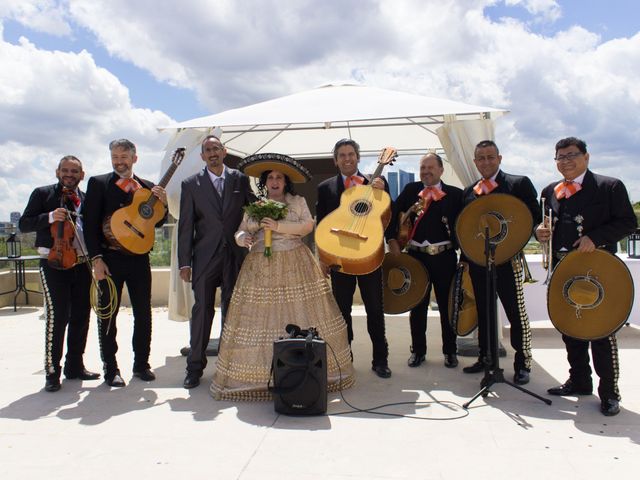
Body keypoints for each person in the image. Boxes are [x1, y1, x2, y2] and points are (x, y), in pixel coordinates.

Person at [210, 153, 354, 400]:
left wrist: (279, 227)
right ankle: (261, 374)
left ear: (286, 182)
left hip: (295, 262)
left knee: (299, 312)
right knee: (260, 320)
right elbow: (241, 229)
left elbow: (308, 226)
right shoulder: (255, 206)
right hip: (260, 267)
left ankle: (303, 368)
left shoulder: (297, 201)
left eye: (279, 177)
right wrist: (242, 238)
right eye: (270, 178)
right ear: (265, 183)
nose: (275, 181)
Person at [536, 137, 636, 416]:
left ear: (586, 157)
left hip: (598, 270)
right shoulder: (549, 191)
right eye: (560, 157)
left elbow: (628, 222)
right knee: (569, 327)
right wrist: (539, 233)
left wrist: (595, 236)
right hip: (563, 268)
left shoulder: (609, 186)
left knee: (601, 332)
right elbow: (543, 224)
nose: (565, 161)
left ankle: (609, 393)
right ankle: (579, 381)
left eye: (571, 155)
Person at [83, 139, 168, 387]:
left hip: (140, 260)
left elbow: (156, 222)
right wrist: (96, 259)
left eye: (124, 157)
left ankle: (141, 364)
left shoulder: (148, 187)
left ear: (134, 159)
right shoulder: (99, 184)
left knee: (144, 313)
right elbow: (89, 225)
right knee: (108, 314)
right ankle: (111, 368)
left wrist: (161, 202)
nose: (119, 161)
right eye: (115, 157)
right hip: (109, 259)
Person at [177, 135, 256, 389]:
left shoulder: (240, 179)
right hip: (204, 258)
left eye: (216, 149)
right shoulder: (191, 185)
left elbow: (252, 208)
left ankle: (228, 366)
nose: (212, 153)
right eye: (207, 150)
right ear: (202, 156)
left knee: (232, 311)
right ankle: (194, 368)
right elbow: (186, 226)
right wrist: (184, 263)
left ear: (224, 151)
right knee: (202, 312)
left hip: (235, 256)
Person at [460, 140, 540, 385]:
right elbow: (466, 230)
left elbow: (534, 219)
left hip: (509, 260)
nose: (486, 162)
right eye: (481, 158)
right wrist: (465, 260)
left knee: (516, 314)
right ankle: (487, 359)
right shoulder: (469, 191)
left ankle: (523, 363)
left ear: (499, 158)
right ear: (475, 162)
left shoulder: (518, 184)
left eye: (490, 157)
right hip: (479, 263)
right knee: (483, 313)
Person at [19, 156, 99, 392]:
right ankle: (52, 370)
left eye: (74, 171)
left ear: (81, 175)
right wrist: (51, 217)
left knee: (81, 316)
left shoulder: (85, 199)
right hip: (53, 262)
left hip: (81, 263)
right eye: (65, 170)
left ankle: (75, 366)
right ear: (57, 172)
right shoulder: (43, 194)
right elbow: (25, 224)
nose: (69, 174)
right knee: (58, 316)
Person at [316, 138, 393, 378]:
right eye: (342, 155)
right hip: (339, 257)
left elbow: (388, 216)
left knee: (375, 310)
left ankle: (380, 359)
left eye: (351, 154)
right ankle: (343, 358)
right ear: (335, 160)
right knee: (341, 312)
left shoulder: (376, 183)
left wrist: (381, 194)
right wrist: (322, 257)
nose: (347, 159)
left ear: (358, 157)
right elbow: (322, 224)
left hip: (368, 254)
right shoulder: (325, 187)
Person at [389, 153, 462, 368]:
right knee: (417, 306)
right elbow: (393, 214)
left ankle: (450, 351)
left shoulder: (455, 194)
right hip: (416, 257)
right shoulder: (411, 190)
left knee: (447, 305)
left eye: (431, 167)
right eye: (423, 168)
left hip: (445, 256)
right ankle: (418, 351)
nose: (426, 172)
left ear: (441, 170)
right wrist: (392, 239)